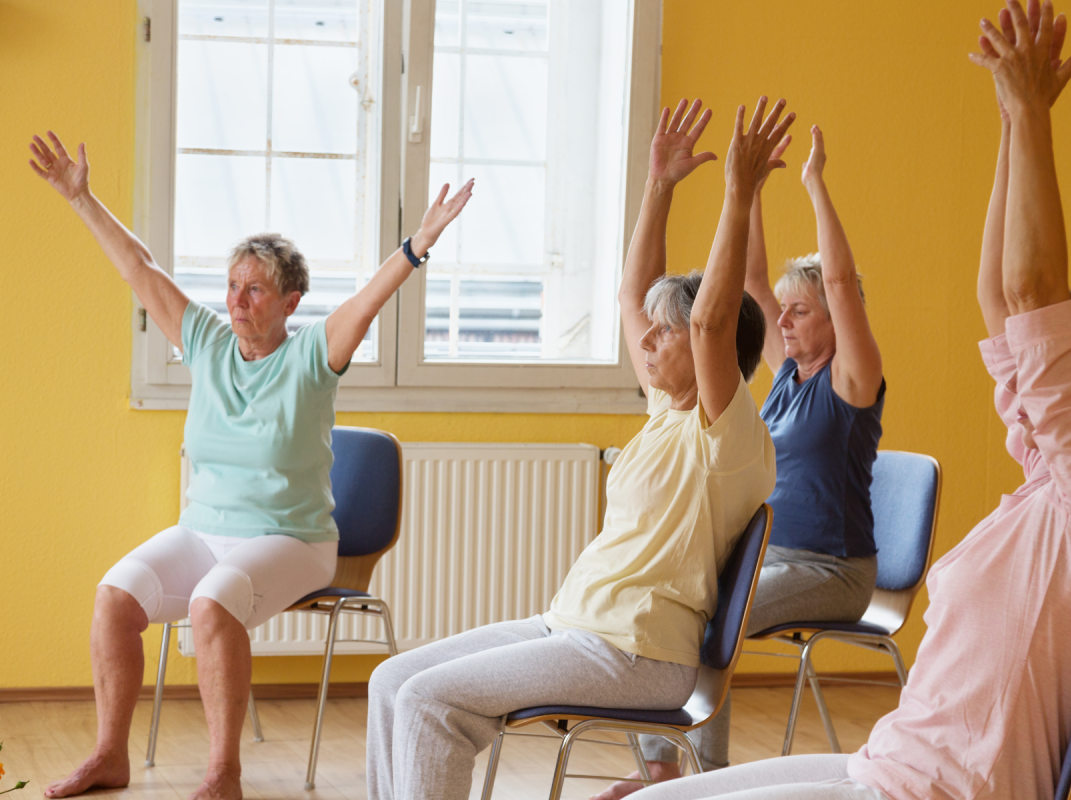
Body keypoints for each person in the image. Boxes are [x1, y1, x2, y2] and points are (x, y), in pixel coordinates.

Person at [635, 2, 1071, 798]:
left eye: (1059, 355)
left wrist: (1033, 115)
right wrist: (1011, 121)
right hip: (892, 760)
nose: (1035, 357)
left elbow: (1030, 292)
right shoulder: (1057, 478)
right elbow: (1002, 302)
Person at [364, 96, 788, 800]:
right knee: (392, 681)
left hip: (637, 652)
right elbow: (630, 297)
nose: (647, 342)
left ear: (713, 354)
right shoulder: (666, 409)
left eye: (667, 333)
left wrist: (739, 194)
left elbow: (713, 322)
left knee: (431, 705)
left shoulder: (732, 436)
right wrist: (658, 186)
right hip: (574, 624)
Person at [28, 132, 471, 800]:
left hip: (294, 540)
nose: (238, 300)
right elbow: (140, 269)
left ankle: (222, 774)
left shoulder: (313, 357)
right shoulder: (206, 342)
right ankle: (109, 755)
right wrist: (81, 199)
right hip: (205, 530)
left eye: (256, 289)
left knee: (210, 603)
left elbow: (371, 299)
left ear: (291, 302)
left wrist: (418, 244)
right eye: (233, 286)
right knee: (114, 597)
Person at [603, 124, 885, 798]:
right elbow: (752, 283)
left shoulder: (852, 382)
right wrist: (751, 190)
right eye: (782, 314)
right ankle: (663, 771)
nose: (784, 322)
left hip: (832, 569)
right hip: (773, 556)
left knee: (710, 616)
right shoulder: (785, 376)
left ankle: (703, 776)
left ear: (834, 320)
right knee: (684, 602)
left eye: (801, 312)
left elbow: (843, 283)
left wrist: (814, 185)